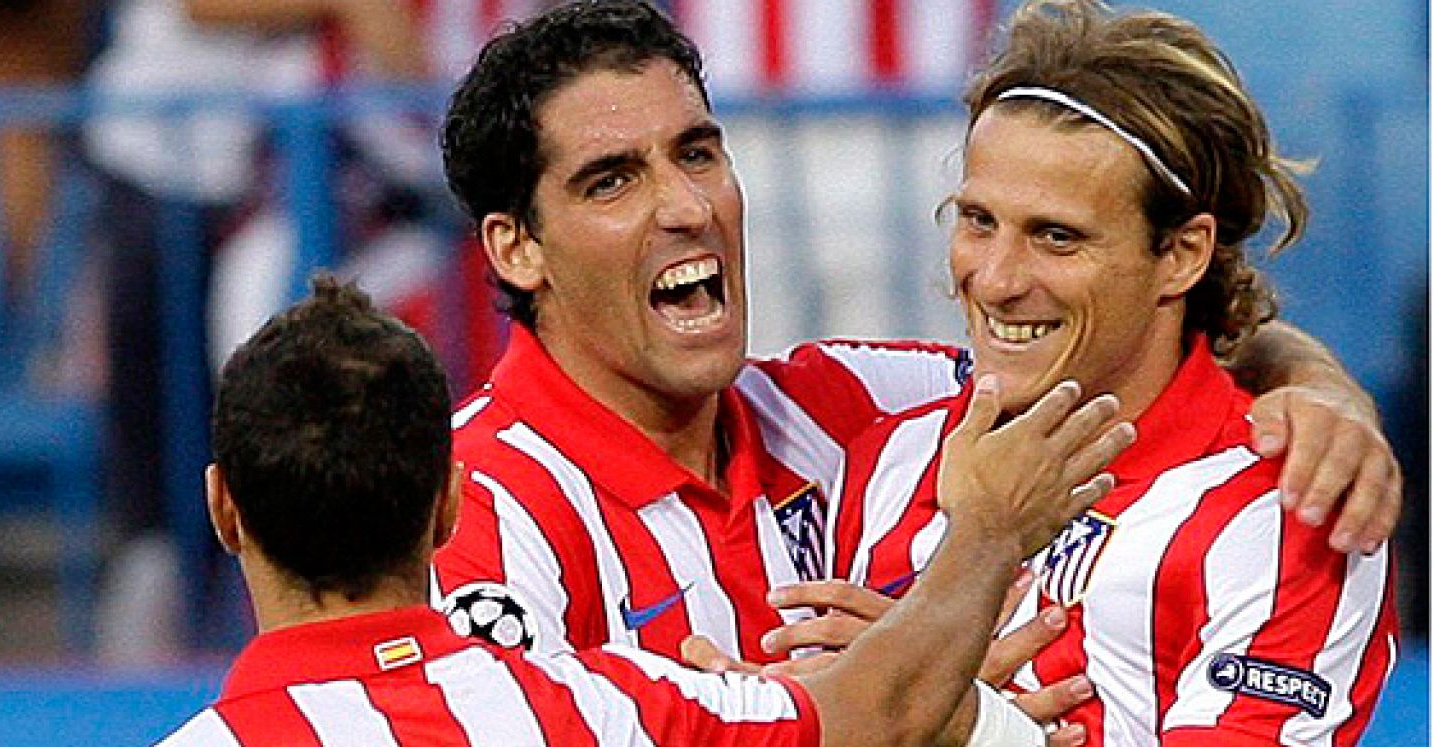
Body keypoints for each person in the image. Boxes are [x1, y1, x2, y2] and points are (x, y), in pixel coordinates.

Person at [431, 0, 1398, 668]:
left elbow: (1111, 351)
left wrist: (1313, 388)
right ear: (517, 248)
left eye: (697, 153)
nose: (685, 206)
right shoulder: (473, 511)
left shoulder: (854, 405)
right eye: (613, 180)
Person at [78, 274, 1135, 747]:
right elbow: (894, 704)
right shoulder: (606, 715)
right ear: (450, 502)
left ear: (223, 510)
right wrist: (991, 534)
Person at [762, 2, 1398, 747]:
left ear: (1181, 253)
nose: (993, 278)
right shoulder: (875, 438)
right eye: (977, 220)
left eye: (1055, 238)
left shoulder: (1281, 507)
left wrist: (964, 721)